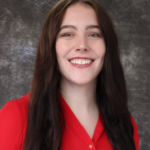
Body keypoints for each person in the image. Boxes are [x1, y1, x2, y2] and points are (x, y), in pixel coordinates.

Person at [0, 0, 139, 150]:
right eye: (68, 34)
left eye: (93, 34)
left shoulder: (126, 125)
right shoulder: (15, 116)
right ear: (51, 46)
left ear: (108, 46)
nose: (82, 45)